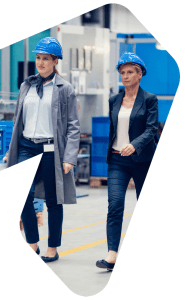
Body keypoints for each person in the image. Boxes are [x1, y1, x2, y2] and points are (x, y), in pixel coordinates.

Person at [3, 37, 80, 263]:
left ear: (55, 61)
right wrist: (12, 150)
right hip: (27, 146)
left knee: (53, 200)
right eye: (38, 58)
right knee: (21, 196)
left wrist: (70, 157)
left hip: (51, 149)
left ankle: (52, 248)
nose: (41, 62)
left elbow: (74, 125)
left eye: (46, 58)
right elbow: (18, 120)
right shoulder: (26, 85)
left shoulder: (65, 89)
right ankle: (32, 243)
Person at [96, 53, 158, 271]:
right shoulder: (114, 100)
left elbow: (151, 129)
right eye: (122, 72)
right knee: (115, 205)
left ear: (140, 74)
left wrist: (135, 144)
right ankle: (112, 254)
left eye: (130, 72)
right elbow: (115, 129)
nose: (125, 76)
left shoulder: (150, 99)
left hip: (143, 160)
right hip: (117, 160)